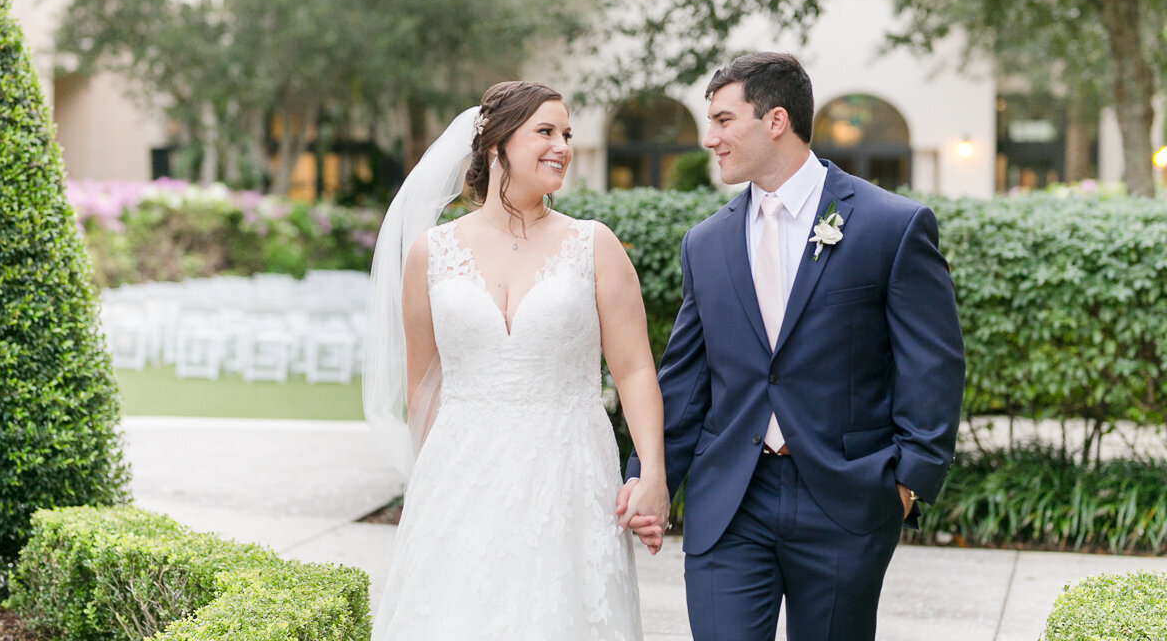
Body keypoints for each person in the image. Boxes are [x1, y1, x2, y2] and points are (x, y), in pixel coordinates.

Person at [619, 53, 965, 641]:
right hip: (730, 501)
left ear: (775, 120)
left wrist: (907, 483)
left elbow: (933, 363)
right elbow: (686, 380)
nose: (709, 139)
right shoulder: (705, 244)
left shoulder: (891, 225)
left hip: (846, 501)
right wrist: (650, 476)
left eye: (724, 121)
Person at [366, 81, 670, 640]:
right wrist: (430, 489)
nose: (563, 147)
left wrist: (652, 473)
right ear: (495, 145)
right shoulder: (431, 253)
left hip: (570, 474)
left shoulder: (594, 245)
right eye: (545, 132)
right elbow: (422, 389)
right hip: (461, 475)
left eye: (567, 134)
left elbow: (633, 371)